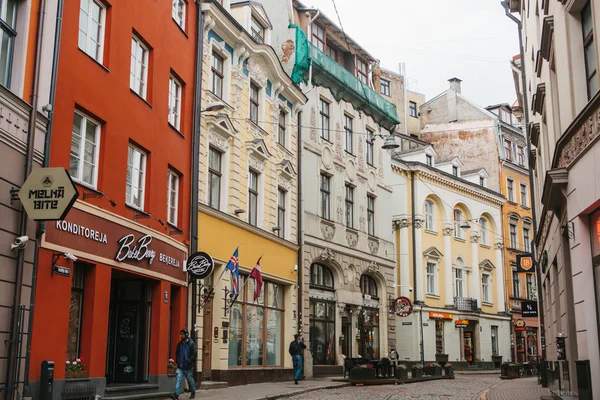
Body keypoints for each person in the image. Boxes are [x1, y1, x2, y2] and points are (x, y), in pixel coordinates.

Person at [172, 329, 197, 400]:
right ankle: (176, 394)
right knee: (178, 379)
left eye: (182, 334)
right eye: (181, 334)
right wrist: (177, 360)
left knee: (190, 380)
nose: (181, 336)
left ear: (186, 334)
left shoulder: (191, 343)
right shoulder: (179, 344)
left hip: (188, 366)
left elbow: (194, 353)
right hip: (180, 366)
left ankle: (193, 393)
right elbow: (177, 353)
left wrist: (190, 360)